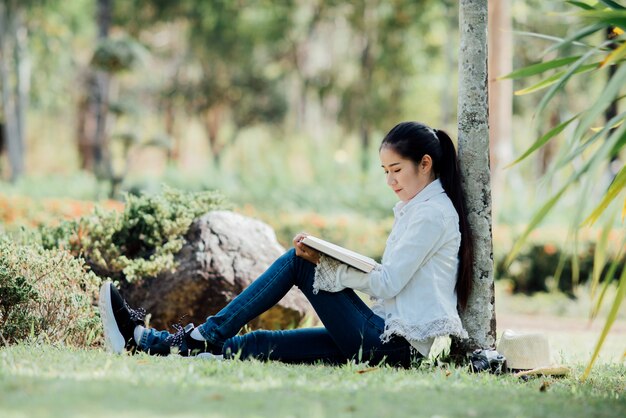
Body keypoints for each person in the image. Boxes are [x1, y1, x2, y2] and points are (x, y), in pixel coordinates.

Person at [99, 121, 473, 367]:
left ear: (425, 164)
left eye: (397, 171)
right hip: (386, 338)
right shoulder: (419, 208)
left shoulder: (430, 214)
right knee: (262, 343)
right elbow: (394, 279)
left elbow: (388, 282)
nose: (390, 181)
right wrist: (337, 260)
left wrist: (331, 268)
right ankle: (150, 343)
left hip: (392, 347)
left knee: (299, 262)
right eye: (385, 172)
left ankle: (201, 335)